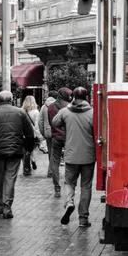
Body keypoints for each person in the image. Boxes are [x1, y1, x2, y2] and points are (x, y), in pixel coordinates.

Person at [0, 90, 34, 218]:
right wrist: (28, 148)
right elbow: (29, 133)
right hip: (15, 151)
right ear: (12, 100)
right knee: (10, 179)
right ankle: (7, 206)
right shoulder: (20, 113)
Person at [52, 86, 95, 228]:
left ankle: (69, 203)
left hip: (71, 154)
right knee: (86, 187)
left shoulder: (65, 112)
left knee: (69, 183)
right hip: (88, 155)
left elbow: (55, 122)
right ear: (87, 97)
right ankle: (83, 219)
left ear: (72, 98)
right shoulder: (93, 113)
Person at [48, 87, 72, 197]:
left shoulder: (51, 107)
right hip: (68, 137)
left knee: (55, 162)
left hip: (56, 137)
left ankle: (56, 187)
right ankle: (69, 185)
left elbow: (51, 122)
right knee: (69, 162)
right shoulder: (69, 106)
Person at [21, 95, 44, 176]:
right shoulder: (36, 112)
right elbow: (37, 126)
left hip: (23, 134)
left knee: (25, 151)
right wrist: (40, 137)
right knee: (32, 149)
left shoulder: (21, 111)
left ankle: (26, 167)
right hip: (33, 134)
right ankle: (33, 160)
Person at [38, 90, 58, 178]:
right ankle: (51, 171)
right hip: (56, 131)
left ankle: (52, 169)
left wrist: (43, 132)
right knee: (55, 152)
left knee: (51, 151)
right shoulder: (57, 106)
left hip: (47, 132)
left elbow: (40, 121)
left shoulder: (43, 107)